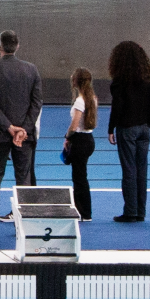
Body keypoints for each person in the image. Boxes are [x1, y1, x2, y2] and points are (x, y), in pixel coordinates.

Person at [0, 29, 43, 236]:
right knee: (23, 179)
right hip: (25, 136)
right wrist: (24, 128)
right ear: (18, 46)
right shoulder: (31, 70)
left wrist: (8, 127)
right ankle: (25, 226)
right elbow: (37, 102)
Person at [108, 39, 150, 223]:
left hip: (127, 128)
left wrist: (111, 128)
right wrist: (149, 124)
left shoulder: (120, 82)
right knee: (141, 170)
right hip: (144, 129)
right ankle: (140, 211)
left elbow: (117, 107)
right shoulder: (146, 80)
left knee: (129, 170)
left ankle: (130, 211)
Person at [65, 67, 98, 220]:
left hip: (80, 140)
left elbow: (75, 123)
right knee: (81, 176)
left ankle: (83, 212)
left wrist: (68, 136)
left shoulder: (80, 100)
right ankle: (83, 210)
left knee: (79, 177)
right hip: (89, 139)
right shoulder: (92, 98)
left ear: (76, 82)